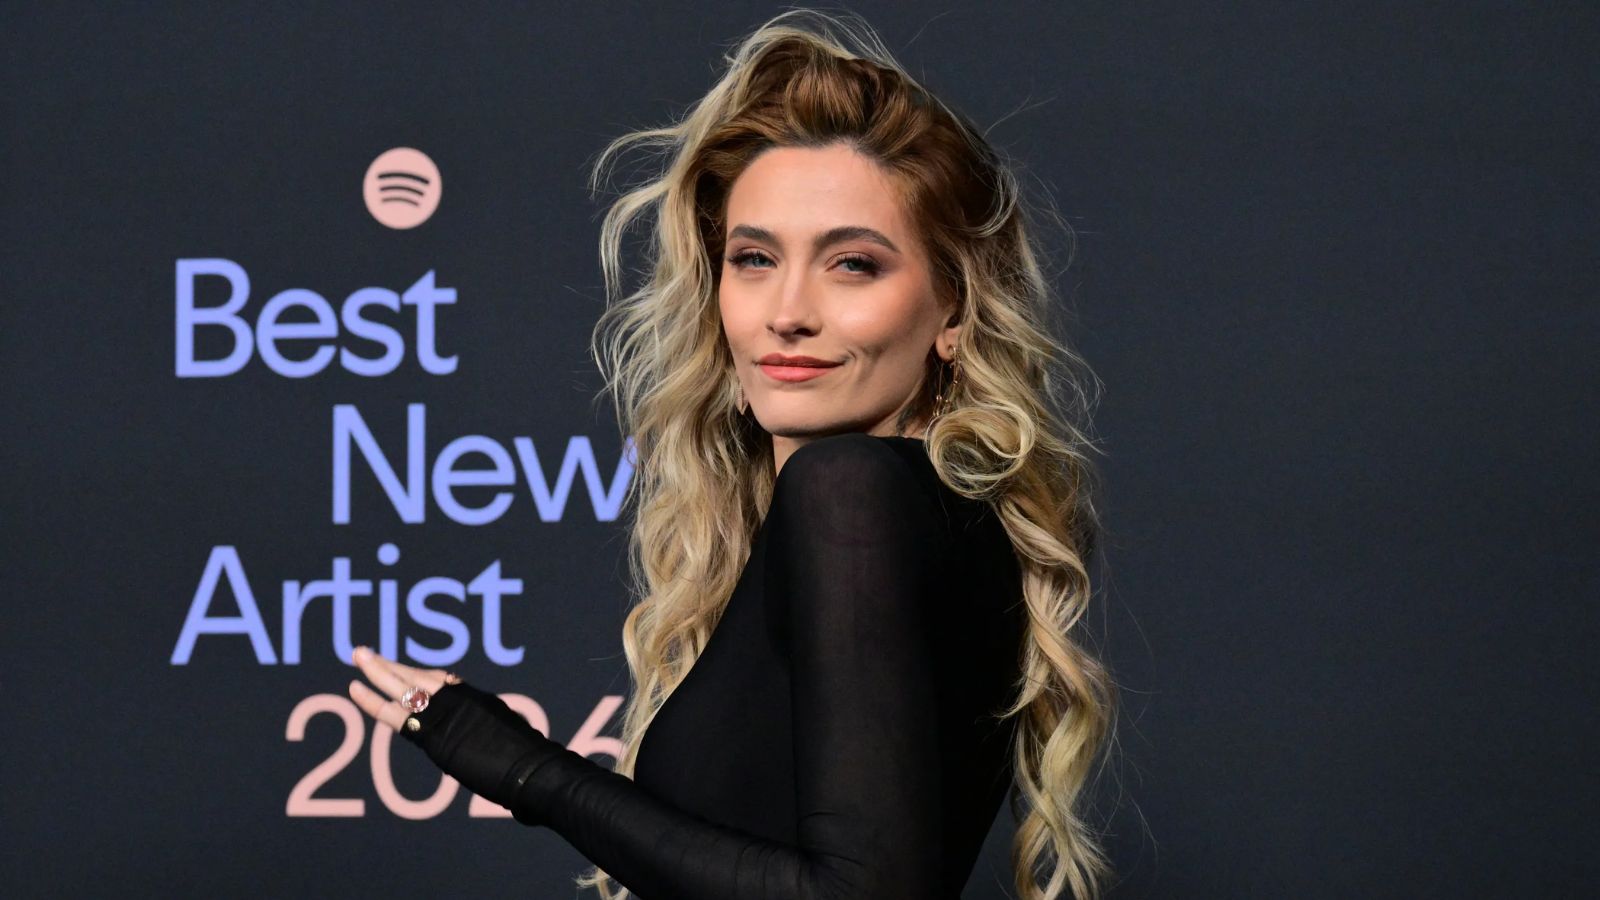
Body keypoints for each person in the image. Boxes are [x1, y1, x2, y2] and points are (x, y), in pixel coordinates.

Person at [346, 9, 1117, 899]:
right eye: (753, 258)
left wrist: (528, 773)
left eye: (853, 265)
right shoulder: (923, 516)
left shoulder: (850, 493)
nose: (787, 311)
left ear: (954, 311)